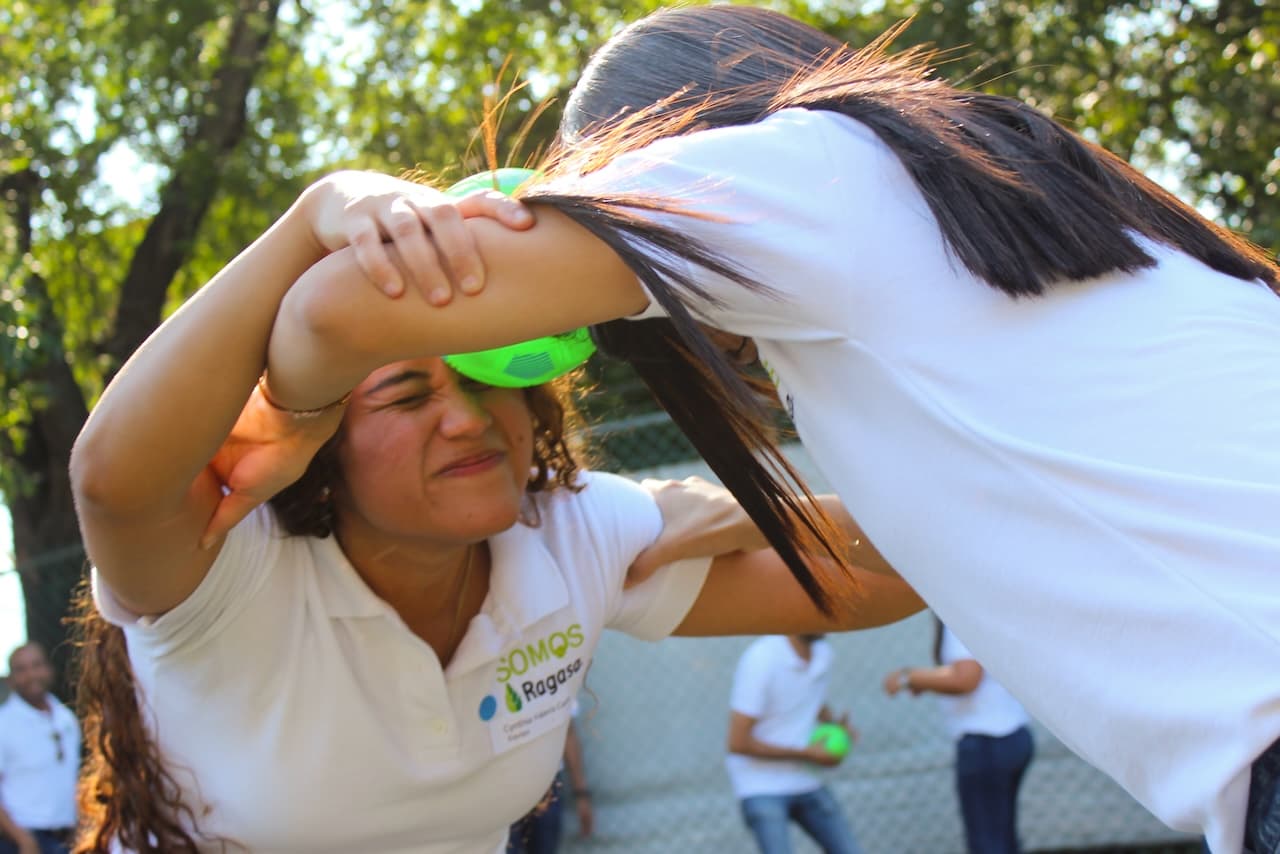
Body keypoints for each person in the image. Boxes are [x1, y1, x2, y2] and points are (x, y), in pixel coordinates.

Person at [252, 6, 1280, 851]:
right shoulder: (1050, 195)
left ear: (671, 148)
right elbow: (974, 544)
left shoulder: (802, 173)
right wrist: (718, 519)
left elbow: (333, 312)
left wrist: (298, 396)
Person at [67, 167, 923, 853]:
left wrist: (746, 514)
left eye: (488, 379)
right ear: (319, 448)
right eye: (408, 395)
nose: (468, 419)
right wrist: (317, 214)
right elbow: (111, 480)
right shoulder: (223, 564)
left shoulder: (570, 531)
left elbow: (904, 580)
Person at [883, 618, 1033, 853]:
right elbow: (966, 670)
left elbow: (966, 679)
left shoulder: (958, 616)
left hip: (987, 742)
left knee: (988, 843)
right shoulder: (983, 612)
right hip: (1011, 735)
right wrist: (928, 681)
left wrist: (908, 677)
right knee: (1002, 837)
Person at [727, 634, 862, 854]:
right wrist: (809, 754)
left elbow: (811, 699)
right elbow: (738, 743)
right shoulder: (761, 658)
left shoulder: (823, 654)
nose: (829, 619)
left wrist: (835, 729)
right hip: (761, 786)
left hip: (807, 780)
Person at [0, 643, 80, 854]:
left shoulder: (66, 719)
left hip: (67, 838)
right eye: (21, 669)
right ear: (10, 678)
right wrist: (23, 840)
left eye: (36, 665)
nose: (31, 675)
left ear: (49, 669)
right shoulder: (3, 724)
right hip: (20, 841)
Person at [507, 712, 591, 853]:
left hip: (547, 784)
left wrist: (581, 794)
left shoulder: (556, 698)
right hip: (504, 786)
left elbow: (568, 731)